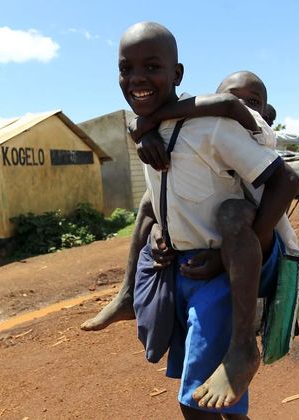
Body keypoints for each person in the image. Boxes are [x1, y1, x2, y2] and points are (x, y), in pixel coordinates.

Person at [115, 22, 299, 418]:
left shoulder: (226, 125)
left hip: (239, 256)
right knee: (149, 206)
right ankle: (127, 293)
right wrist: (142, 129)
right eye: (126, 69)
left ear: (177, 74)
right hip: (189, 265)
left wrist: (223, 260)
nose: (137, 78)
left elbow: (284, 176)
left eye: (151, 67)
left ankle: (243, 348)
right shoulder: (160, 131)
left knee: (196, 404)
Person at [80, 71, 273, 332]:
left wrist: (147, 121)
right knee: (150, 200)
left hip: (260, 234)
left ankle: (244, 341)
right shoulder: (209, 129)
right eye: (233, 96)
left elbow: (229, 106)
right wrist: (145, 135)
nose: (243, 105)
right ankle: (127, 292)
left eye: (253, 102)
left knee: (233, 214)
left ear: (265, 109)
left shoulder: (257, 127)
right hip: (216, 229)